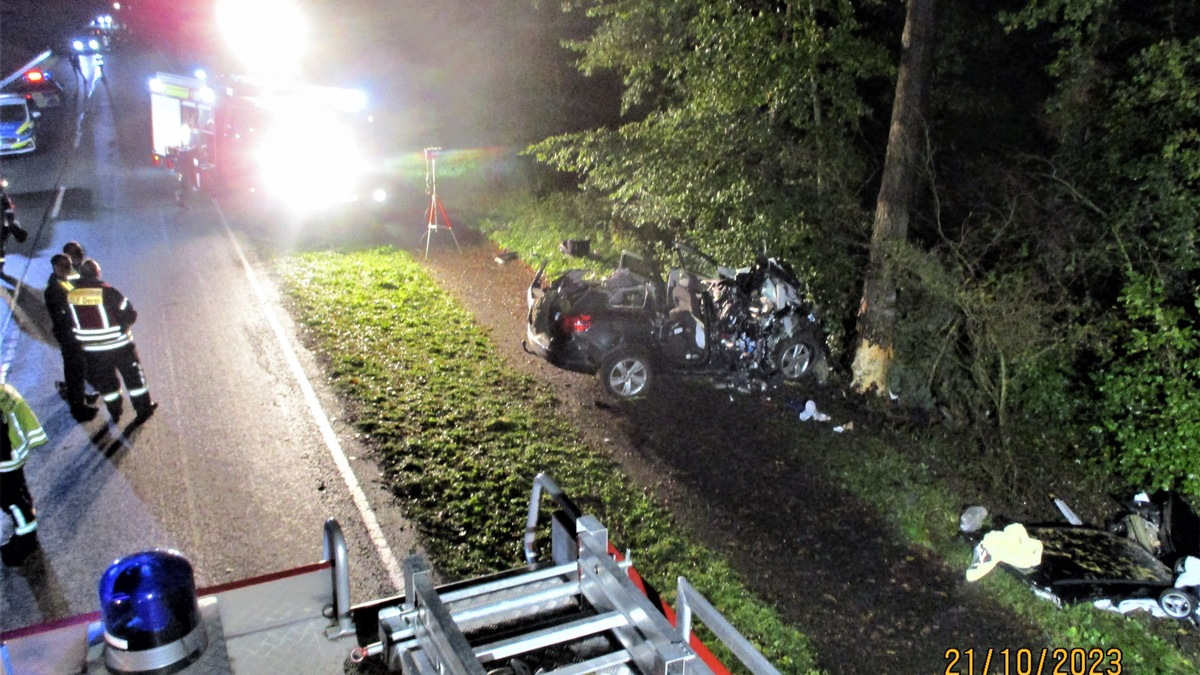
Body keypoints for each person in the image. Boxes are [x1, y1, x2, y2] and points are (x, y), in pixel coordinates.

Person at [66, 259, 158, 423]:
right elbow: (129, 312)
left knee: (106, 382)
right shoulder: (108, 292)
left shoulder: (72, 295)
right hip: (119, 345)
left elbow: (69, 320)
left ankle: (115, 411)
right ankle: (143, 409)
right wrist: (124, 326)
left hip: (92, 350)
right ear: (97, 273)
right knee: (134, 378)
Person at [45, 254, 99, 421]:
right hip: (69, 336)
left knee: (81, 368)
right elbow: (65, 314)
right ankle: (78, 408)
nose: (68, 268)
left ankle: (81, 396)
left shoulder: (67, 280)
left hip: (76, 333)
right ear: (55, 267)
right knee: (74, 371)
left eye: (68, 265)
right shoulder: (54, 290)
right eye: (64, 266)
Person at [0, 382, 49, 566]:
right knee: (18, 493)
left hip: (4, 459)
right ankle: (24, 531)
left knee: (11, 500)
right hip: (11, 454)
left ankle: (26, 541)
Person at [0, 177, 30, 277]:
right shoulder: (3, 196)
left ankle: (0, 267)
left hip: (2, 227)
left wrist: (11, 222)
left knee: (1, 248)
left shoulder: (3, 196)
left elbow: (9, 210)